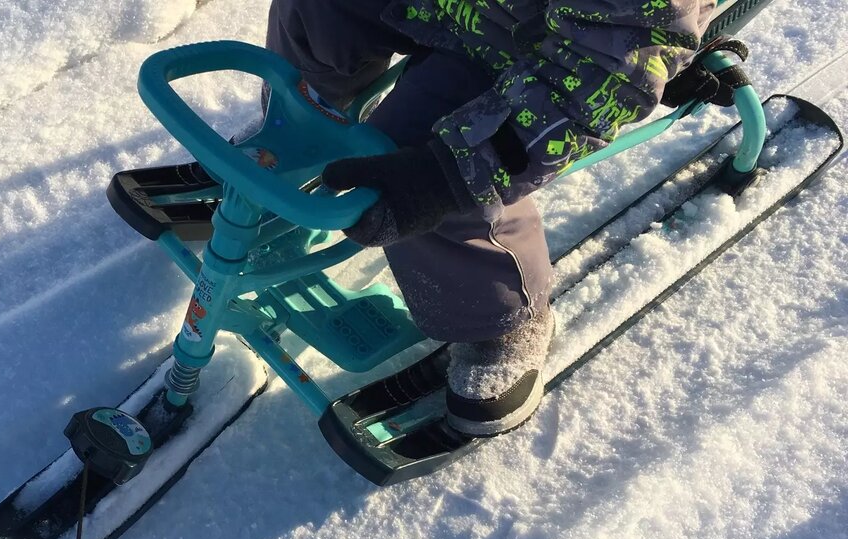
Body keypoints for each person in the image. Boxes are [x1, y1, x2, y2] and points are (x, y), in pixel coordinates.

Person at [263, 0, 716, 435]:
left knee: (427, 163)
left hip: (548, 52)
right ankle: (291, 137)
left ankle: (498, 316)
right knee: (316, 12)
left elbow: (601, 74)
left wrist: (445, 177)